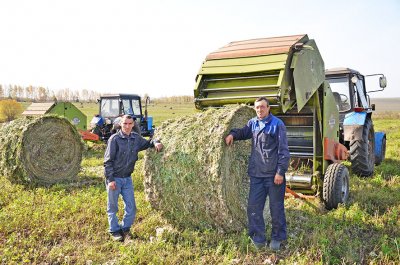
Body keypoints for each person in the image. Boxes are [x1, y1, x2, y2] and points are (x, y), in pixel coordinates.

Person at [224, 97, 290, 251]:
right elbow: (243, 132)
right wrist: (232, 134)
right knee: (253, 207)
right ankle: (258, 238)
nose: (259, 110)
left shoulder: (277, 125)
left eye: (262, 107)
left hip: (274, 176)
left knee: (276, 208)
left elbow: (284, 151)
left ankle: (277, 237)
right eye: (257, 108)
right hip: (256, 175)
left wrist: (280, 172)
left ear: (268, 108)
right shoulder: (253, 123)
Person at [104, 114, 163, 242]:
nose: (127, 126)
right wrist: (110, 180)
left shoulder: (136, 138)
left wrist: (156, 142)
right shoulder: (114, 139)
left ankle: (125, 229)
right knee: (112, 207)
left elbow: (148, 143)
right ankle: (114, 231)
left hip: (127, 179)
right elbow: (107, 161)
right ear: (120, 124)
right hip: (115, 178)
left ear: (133, 125)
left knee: (131, 207)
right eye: (125, 123)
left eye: (130, 124)